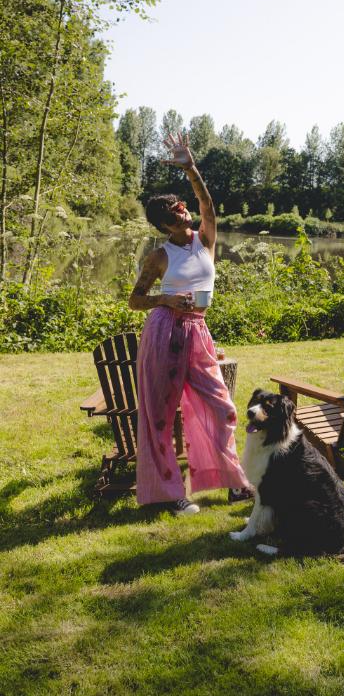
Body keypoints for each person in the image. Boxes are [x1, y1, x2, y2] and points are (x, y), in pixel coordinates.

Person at [128, 132, 251, 515]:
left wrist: (190, 168)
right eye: (176, 209)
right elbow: (135, 301)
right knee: (160, 414)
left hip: (198, 332)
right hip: (165, 331)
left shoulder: (205, 240)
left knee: (222, 407)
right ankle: (168, 494)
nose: (185, 210)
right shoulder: (158, 257)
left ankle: (232, 483)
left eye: (183, 205)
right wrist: (164, 299)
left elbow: (208, 206)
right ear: (166, 223)